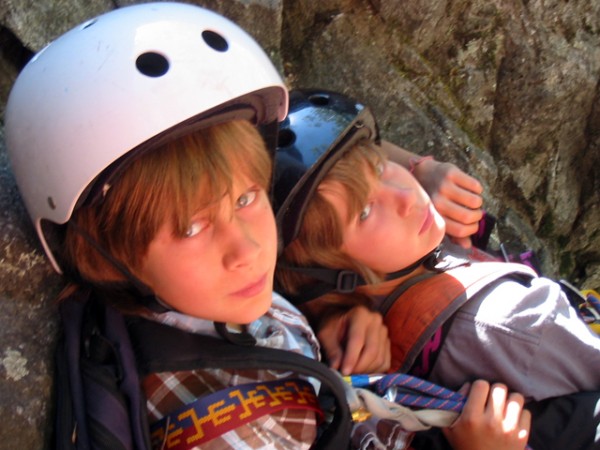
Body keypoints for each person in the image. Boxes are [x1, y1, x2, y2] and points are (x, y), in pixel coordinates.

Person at [5, 3, 531, 449]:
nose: (250, 246)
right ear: (103, 257)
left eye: (247, 196)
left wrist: (340, 318)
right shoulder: (237, 425)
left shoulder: (201, 299)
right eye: (191, 228)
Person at [273, 88, 600, 403]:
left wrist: (422, 167)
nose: (406, 197)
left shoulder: (353, 313)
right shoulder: (518, 319)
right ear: (328, 274)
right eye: (365, 212)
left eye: (379, 167)